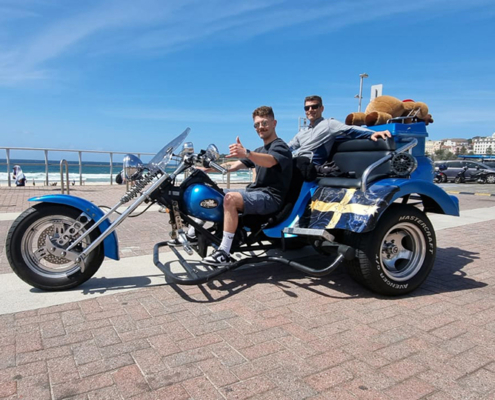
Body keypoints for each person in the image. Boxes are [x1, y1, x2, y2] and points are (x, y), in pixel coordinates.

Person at [200, 106, 293, 266]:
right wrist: (206, 169)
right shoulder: (260, 150)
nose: (260, 127)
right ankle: (194, 232)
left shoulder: (280, 146)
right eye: (256, 125)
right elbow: (233, 165)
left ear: (274, 123)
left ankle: (224, 252)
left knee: (231, 198)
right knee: (212, 193)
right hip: (255, 193)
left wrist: (247, 153)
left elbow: (270, 161)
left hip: (271, 198)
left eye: (264, 123)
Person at [288, 95, 392, 165]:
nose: (310, 110)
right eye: (307, 108)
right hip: (297, 162)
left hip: (310, 165)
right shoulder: (302, 132)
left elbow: (350, 130)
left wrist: (373, 133)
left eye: (314, 107)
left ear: (321, 108)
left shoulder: (329, 124)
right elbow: (289, 147)